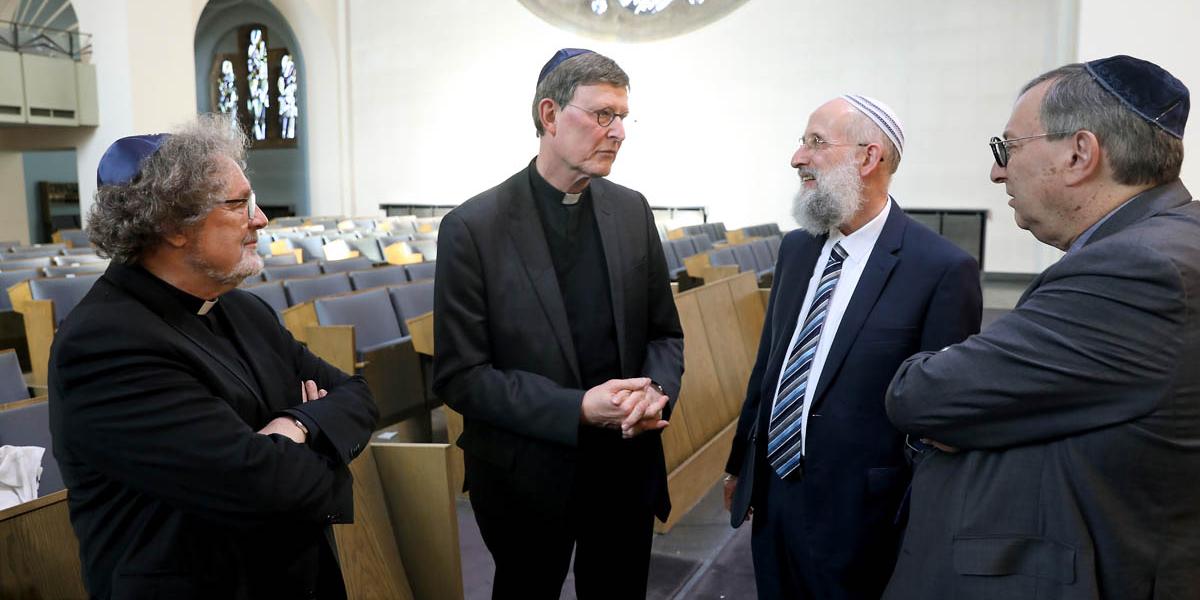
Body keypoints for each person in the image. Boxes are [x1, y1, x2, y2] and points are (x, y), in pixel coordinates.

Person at [884, 55, 1200, 599]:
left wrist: (971, 413)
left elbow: (921, 395)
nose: (997, 171)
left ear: (1080, 154)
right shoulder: (1164, 240)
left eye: (1007, 148)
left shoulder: (1136, 269)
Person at [48, 115, 378, 600]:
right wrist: (315, 426)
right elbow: (263, 487)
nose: (260, 218)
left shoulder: (245, 310)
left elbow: (359, 396)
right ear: (172, 226)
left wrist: (294, 426)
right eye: (239, 203)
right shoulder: (103, 343)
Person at [432, 48, 684, 599]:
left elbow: (665, 333)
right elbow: (461, 376)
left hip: (624, 466)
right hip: (526, 475)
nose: (618, 131)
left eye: (622, 116)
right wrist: (576, 408)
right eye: (602, 115)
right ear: (549, 115)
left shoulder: (632, 210)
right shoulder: (473, 228)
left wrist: (657, 392)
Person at [723, 94, 982, 599]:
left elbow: (940, 419)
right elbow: (771, 367)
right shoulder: (797, 248)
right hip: (774, 497)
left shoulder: (941, 269)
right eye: (803, 142)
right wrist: (742, 465)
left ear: (869, 158)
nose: (798, 157)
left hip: (863, 519)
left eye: (816, 142)